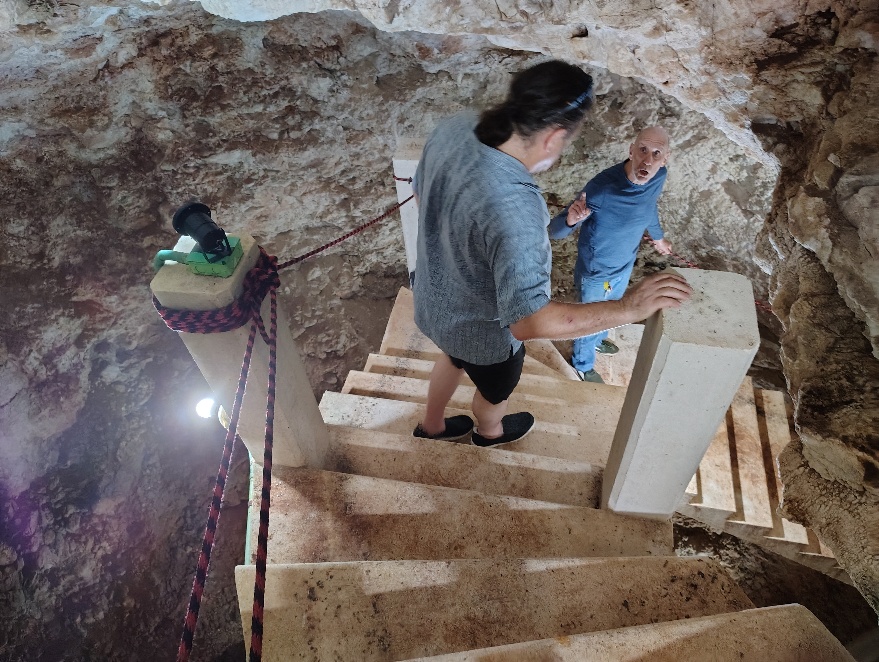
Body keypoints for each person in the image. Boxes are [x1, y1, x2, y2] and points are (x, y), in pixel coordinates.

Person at [411, 62, 691, 448]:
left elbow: (422, 197)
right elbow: (528, 322)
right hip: (482, 333)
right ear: (555, 136)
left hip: (433, 301)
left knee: (451, 357)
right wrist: (629, 308)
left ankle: (432, 425)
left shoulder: (454, 128)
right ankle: (489, 434)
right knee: (494, 390)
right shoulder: (517, 208)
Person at [548, 126, 674, 383]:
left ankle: (597, 340)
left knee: (613, 308)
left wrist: (658, 237)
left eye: (656, 153)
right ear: (631, 150)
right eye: (643, 150)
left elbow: (649, 206)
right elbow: (555, 231)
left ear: (665, 159)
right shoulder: (602, 189)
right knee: (590, 319)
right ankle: (582, 364)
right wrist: (571, 220)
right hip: (596, 272)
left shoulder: (659, 176)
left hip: (625, 264)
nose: (648, 160)